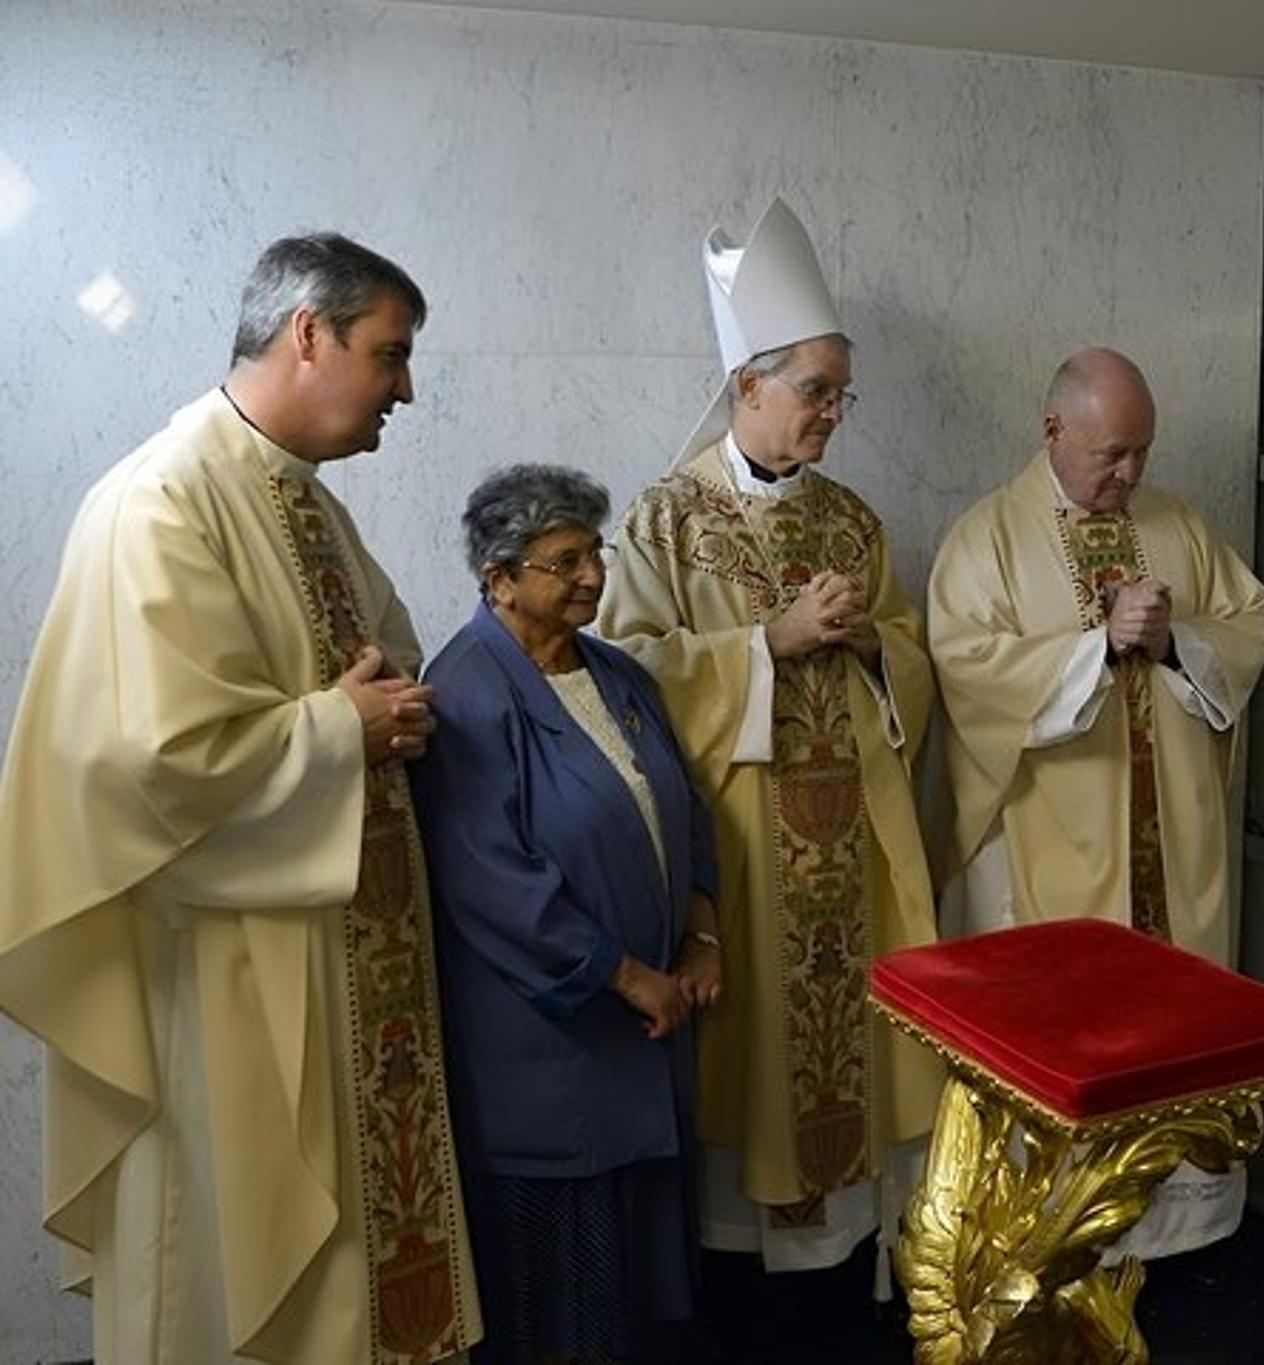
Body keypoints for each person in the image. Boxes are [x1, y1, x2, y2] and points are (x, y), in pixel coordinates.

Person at [0, 234, 479, 1362]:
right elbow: (150, 762)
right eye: (390, 354)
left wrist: (394, 711)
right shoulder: (163, 502)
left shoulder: (310, 506)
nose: (406, 389)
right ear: (308, 333)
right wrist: (344, 727)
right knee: (234, 1273)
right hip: (227, 980)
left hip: (341, 958)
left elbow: (388, 662)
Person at [599, 199, 941, 1278]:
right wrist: (767, 645)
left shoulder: (853, 520)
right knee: (754, 1060)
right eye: (816, 391)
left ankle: (844, 1250)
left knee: (850, 1043)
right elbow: (625, 674)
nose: (835, 412)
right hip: (742, 851)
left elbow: (914, 659)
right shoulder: (665, 518)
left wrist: (877, 649)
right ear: (749, 385)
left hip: (852, 853)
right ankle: (743, 1269)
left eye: (842, 393)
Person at [926, 345, 1264, 1257]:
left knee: (1172, 1021)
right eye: (1112, 453)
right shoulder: (987, 538)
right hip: (1044, 847)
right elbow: (969, 671)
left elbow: (1250, 623)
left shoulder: (1178, 523)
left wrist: (1175, 642)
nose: (1130, 473)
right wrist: (1096, 647)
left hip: (1171, 843)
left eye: (1142, 452)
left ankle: (1172, 1229)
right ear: (1053, 429)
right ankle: (1053, 1233)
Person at [410, 464, 721, 1365]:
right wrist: (624, 975)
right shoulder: (469, 687)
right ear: (500, 578)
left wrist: (701, 934)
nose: (593, 575)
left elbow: (687, 809)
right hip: (553, 1043)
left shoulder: (615, 672)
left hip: (647, 1027)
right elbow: (492, 881)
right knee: (567, 1299)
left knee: (641, 1296)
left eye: (595, 551)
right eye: (565, 560)